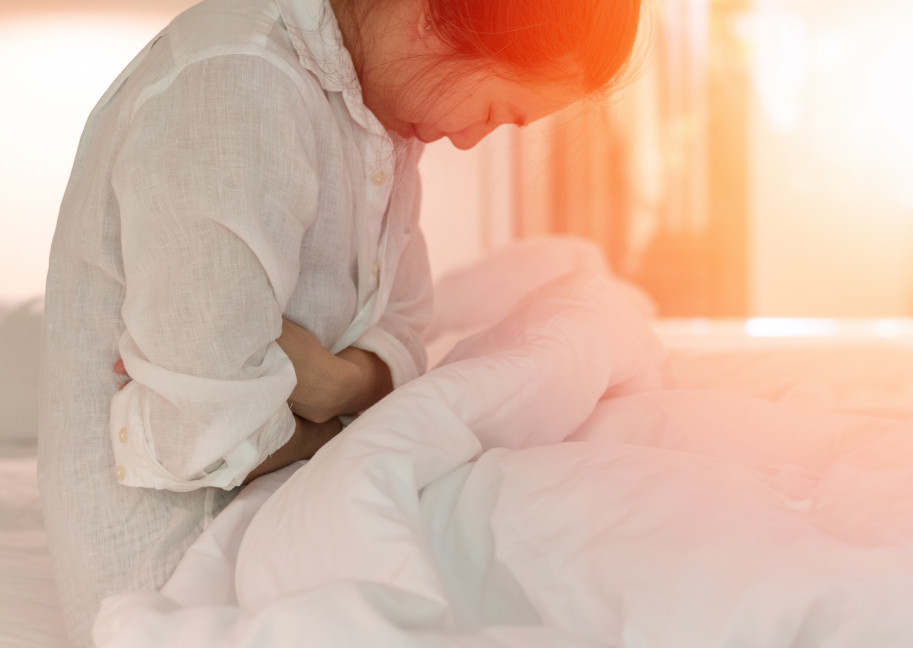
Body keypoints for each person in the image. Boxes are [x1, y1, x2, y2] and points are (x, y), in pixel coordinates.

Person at [37, 0, 642, 645]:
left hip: (289, 506)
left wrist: (330, 385)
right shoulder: (238, 84)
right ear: (428, 14)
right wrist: (358, 421)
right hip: (187, 569)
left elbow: (407, 325)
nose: (468, 139)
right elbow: (206, 434)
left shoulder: (380, 117)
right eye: (493, 112)